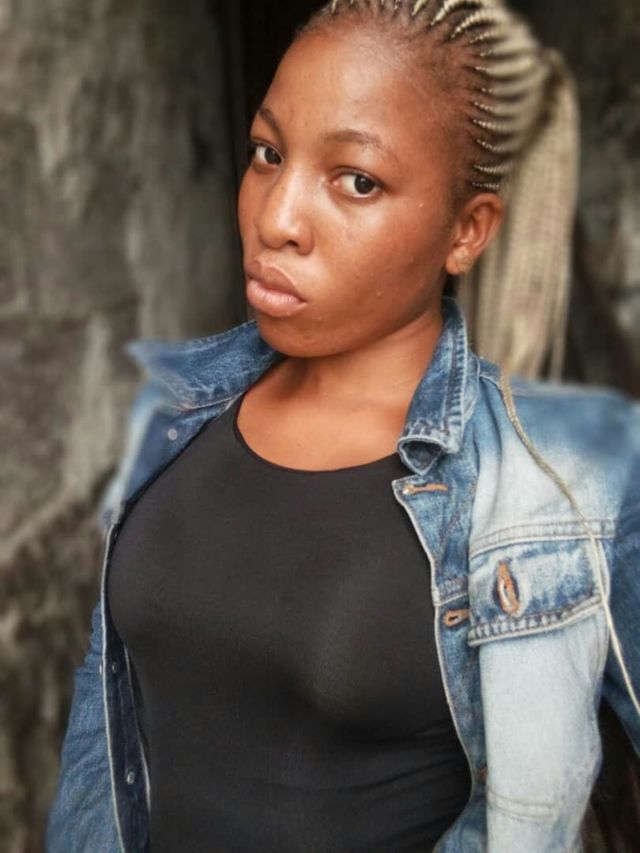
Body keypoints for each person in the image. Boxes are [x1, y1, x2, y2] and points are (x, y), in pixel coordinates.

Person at [47, 1, 640, 851]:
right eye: (268, 153)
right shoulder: (176, 413)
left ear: (467, 230)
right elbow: (105, 740)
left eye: (357, 180)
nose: (276, 219)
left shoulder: (571, 483)